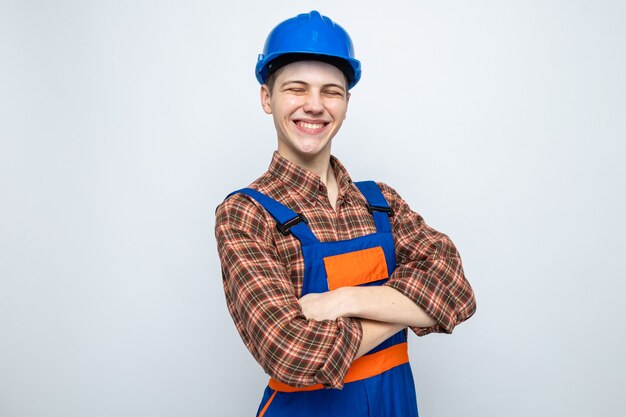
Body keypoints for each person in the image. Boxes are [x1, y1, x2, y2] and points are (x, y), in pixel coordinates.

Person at [215, 10, 476, 417]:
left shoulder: (380, 201)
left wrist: (342, 300)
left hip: (396, 405)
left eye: (331, 91)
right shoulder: (246, 215)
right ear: (267, 98)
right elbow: (294, 353)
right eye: (296, 89)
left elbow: (456, 288)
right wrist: (411, 306)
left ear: (347, 102)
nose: (315, 106)